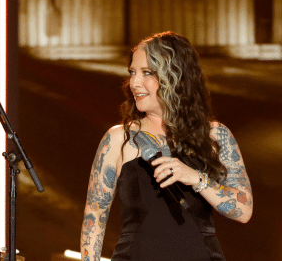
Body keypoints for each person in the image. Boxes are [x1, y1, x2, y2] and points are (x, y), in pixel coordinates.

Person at [80, 31, 253, 261]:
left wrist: (196, 178)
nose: (134, 83)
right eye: (132, 72)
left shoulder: (215, 135)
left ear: (176, 77)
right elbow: (95, 218)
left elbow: (244, 211)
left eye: (147, 73)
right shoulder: (117, 139)